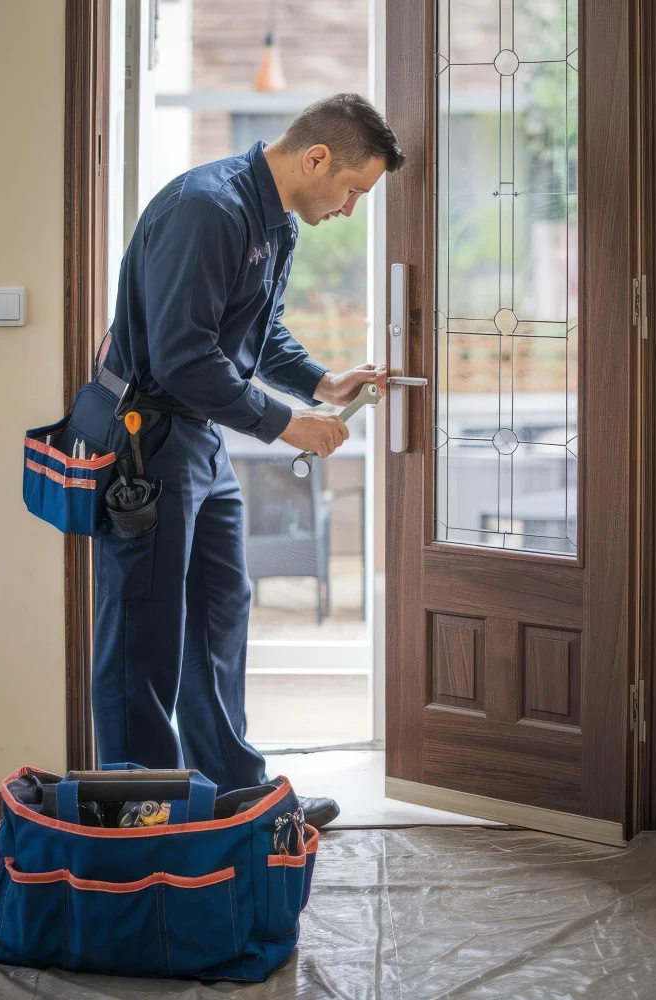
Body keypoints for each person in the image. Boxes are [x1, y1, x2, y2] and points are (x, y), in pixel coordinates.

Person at [86, 93, 405, 829]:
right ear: (316, 158)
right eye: (354, 190)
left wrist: (322, 383)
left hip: (201, 442)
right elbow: (182, 356)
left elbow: (256, 334)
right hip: (146, 442)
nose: (352, 209)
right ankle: (140, 808)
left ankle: (232, 792)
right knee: (144, 631)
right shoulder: (209, 209)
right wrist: (288, 424)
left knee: (219, 615)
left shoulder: (275, 224)